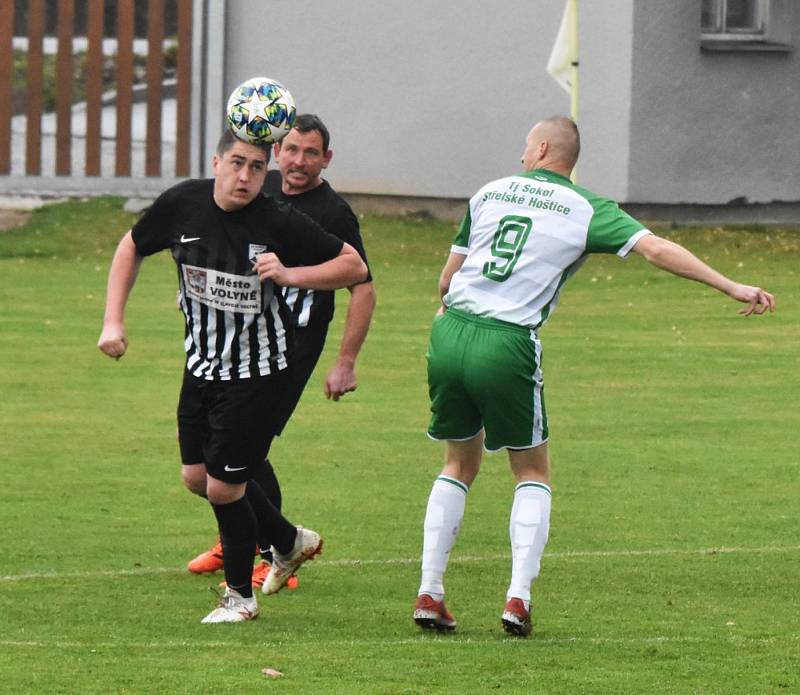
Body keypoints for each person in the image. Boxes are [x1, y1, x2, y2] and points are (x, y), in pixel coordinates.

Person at [413, 116, 775, 637]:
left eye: (524, 146)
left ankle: (431, 591)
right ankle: (518, 599)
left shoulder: (490, 192)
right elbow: (656, 249)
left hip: (450, 334)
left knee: (458, 462)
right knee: (532, 472)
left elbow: (447, 279)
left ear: (540, 148)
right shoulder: (587, 209)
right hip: (508, 342)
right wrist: (729, 285)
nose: (521, 156)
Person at [98, 130, 367, 623]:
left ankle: (241, 598)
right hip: (201, 364)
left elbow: (353, 265)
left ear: (267, 174)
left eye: (257, 168)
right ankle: (288, 541)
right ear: (216, 160)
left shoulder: (276, 218)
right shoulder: (183, 204)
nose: (245, 177)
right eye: (237, 163)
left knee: (225, 487)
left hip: (259, 369)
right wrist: (113, 320)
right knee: (196, 478)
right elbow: (131, 246)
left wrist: (291, 275)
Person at [187, 115, 376, 587]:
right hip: (242, 334)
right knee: (221, 442)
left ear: (326, 159)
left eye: (311, 153)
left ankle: (274, 549)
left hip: (294, 343)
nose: (298, 161)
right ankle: (250, 535)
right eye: (291, 149)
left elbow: (363, 286)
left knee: (249, 443)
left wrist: (345, 361)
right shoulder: (259, 187)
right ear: (276, 151)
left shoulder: (332, 212)